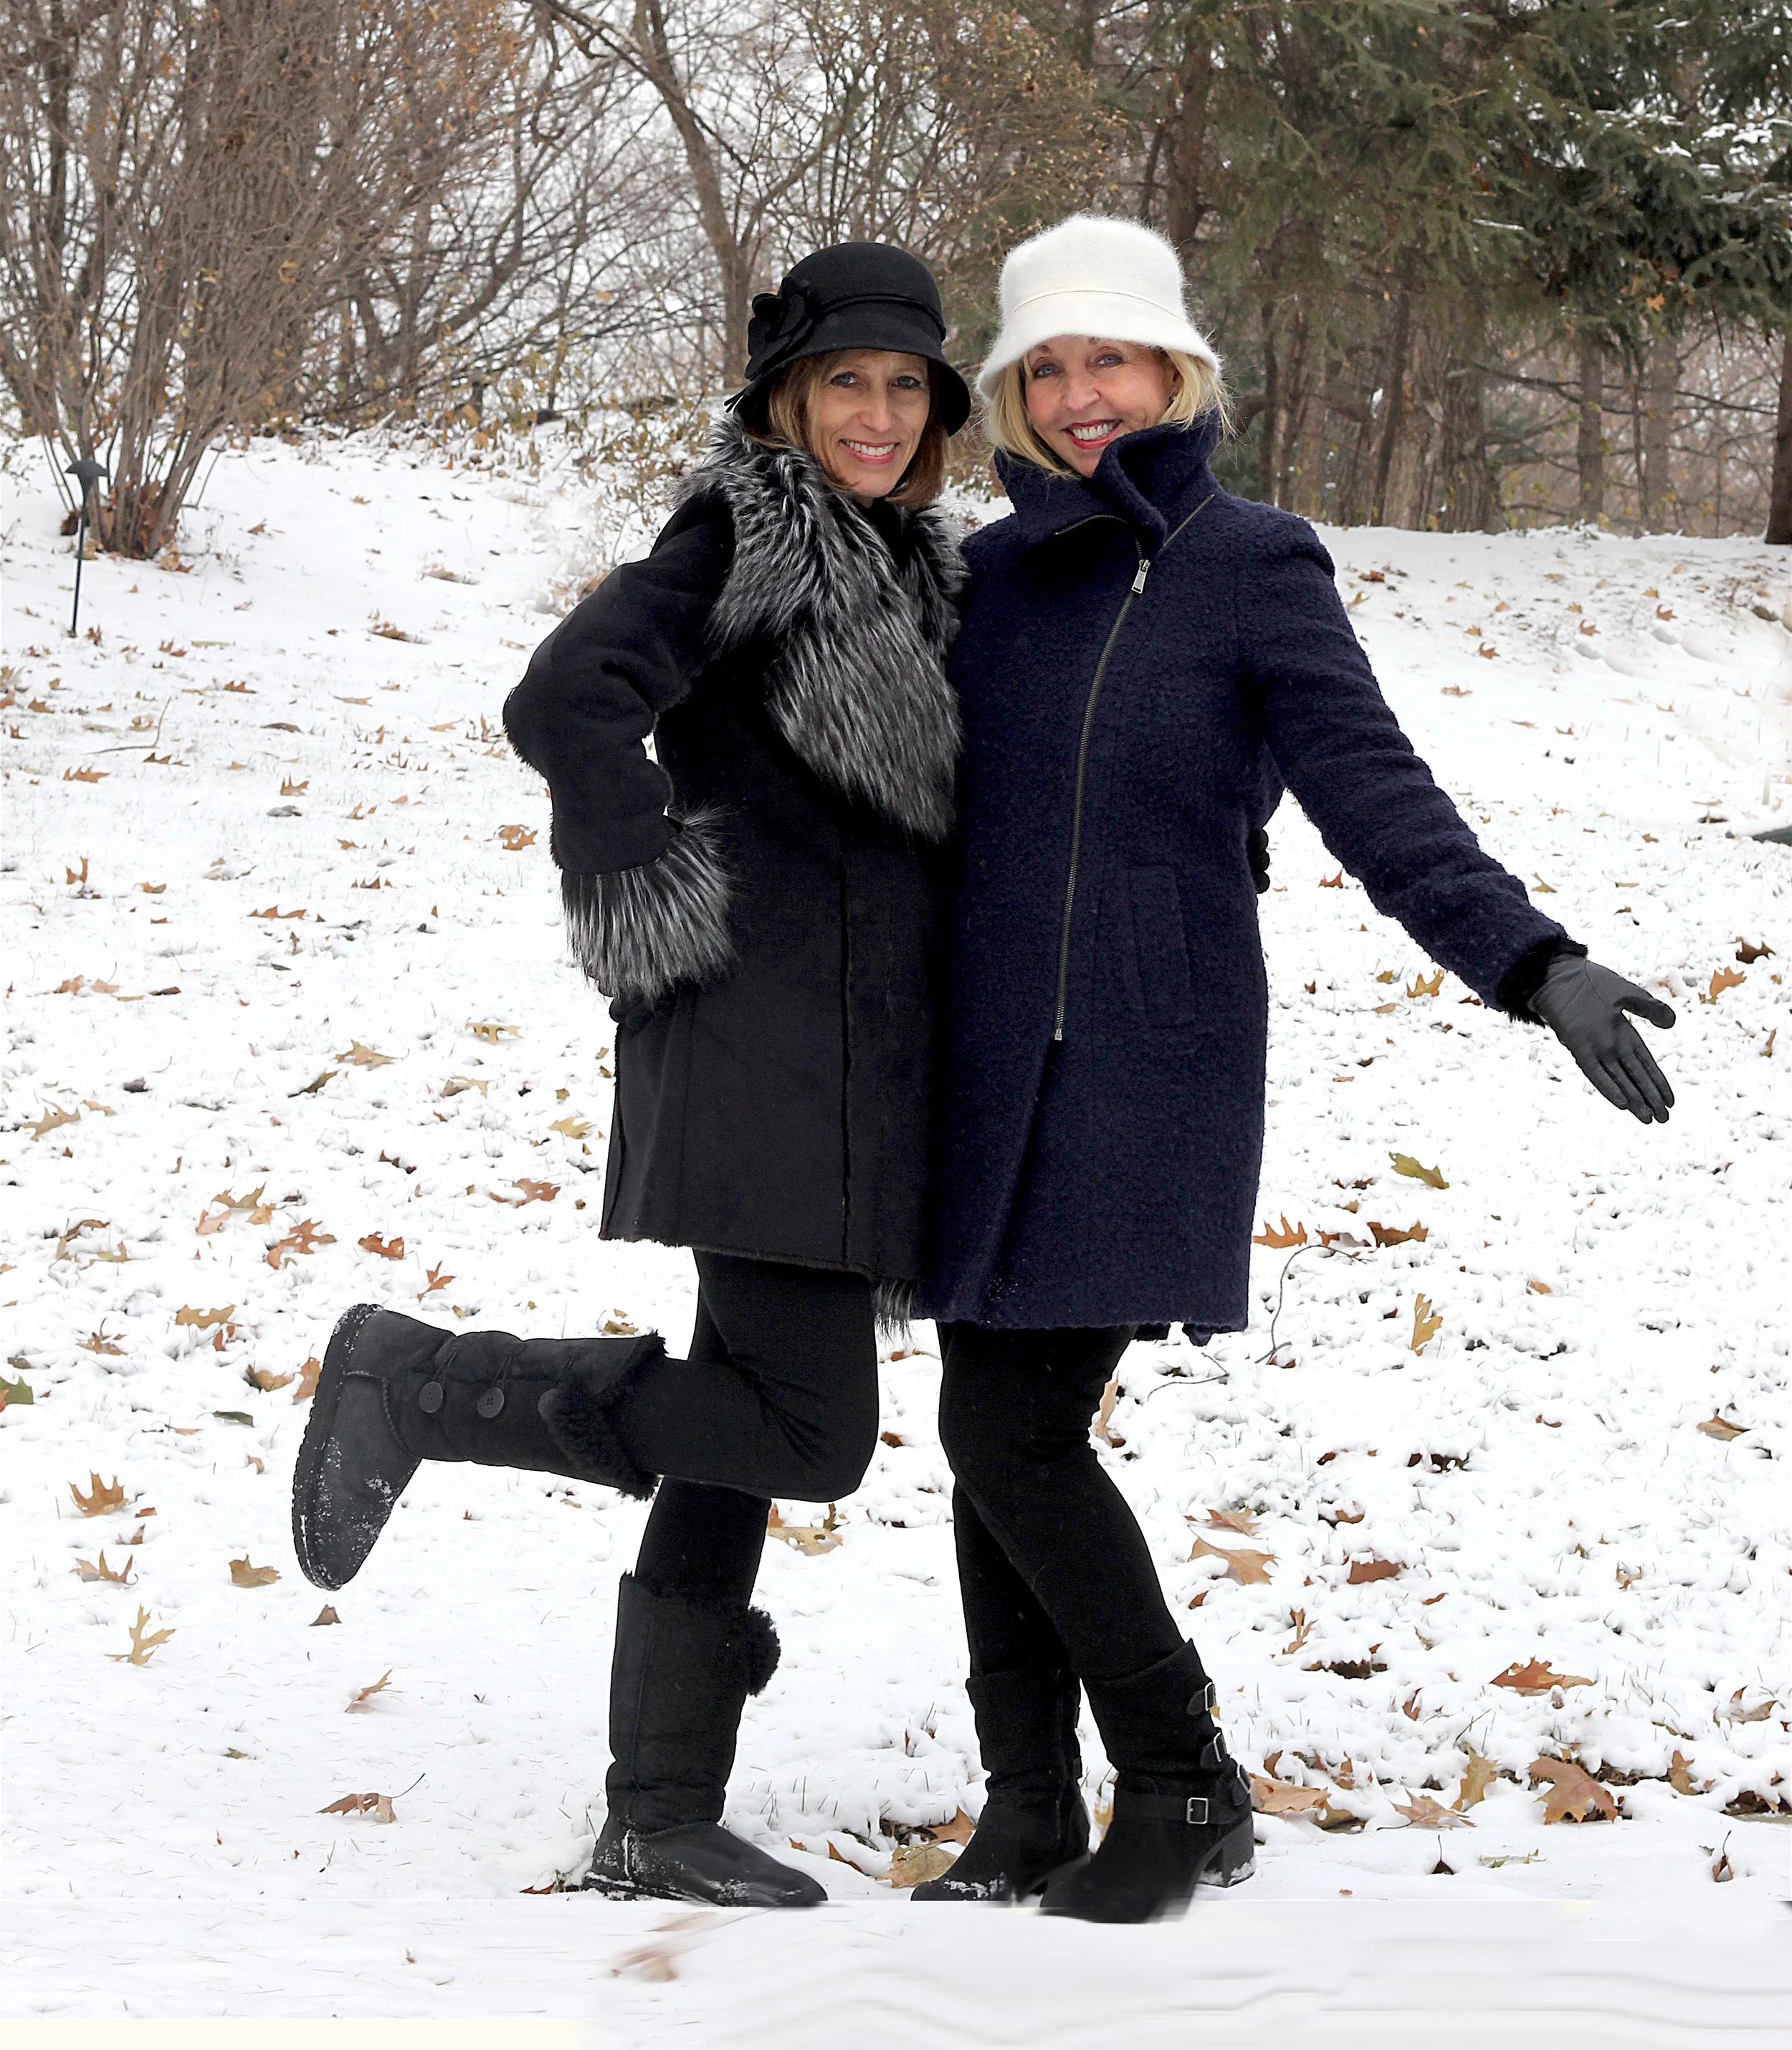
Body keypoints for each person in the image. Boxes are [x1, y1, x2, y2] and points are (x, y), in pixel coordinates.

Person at [910, 214, 1675, 1925]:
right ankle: (1025, 1804)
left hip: (1143, 1052)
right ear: (1018, 396)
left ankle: (1181, 1782)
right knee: (985, 1428)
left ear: (1173, 369)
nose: (1080, 389)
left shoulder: (1252, 562)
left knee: (1009, 1422)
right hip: (973, 1058)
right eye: (1046, 365)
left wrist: (1526, 958)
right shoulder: (983, 580)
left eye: (1108, 355)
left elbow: (1369, 786)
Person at [291, 242, 971, 1910]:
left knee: (743, 1437)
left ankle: (658, 1808)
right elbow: (564, 695)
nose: (874, 415)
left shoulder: (914, 569)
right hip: (757, 1047)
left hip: (850, 1065)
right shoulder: (739, 535)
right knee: (811, 1435)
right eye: (843, 384)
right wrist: (654, 877)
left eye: (903, 387)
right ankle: (422, 1379)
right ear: (784, 400)